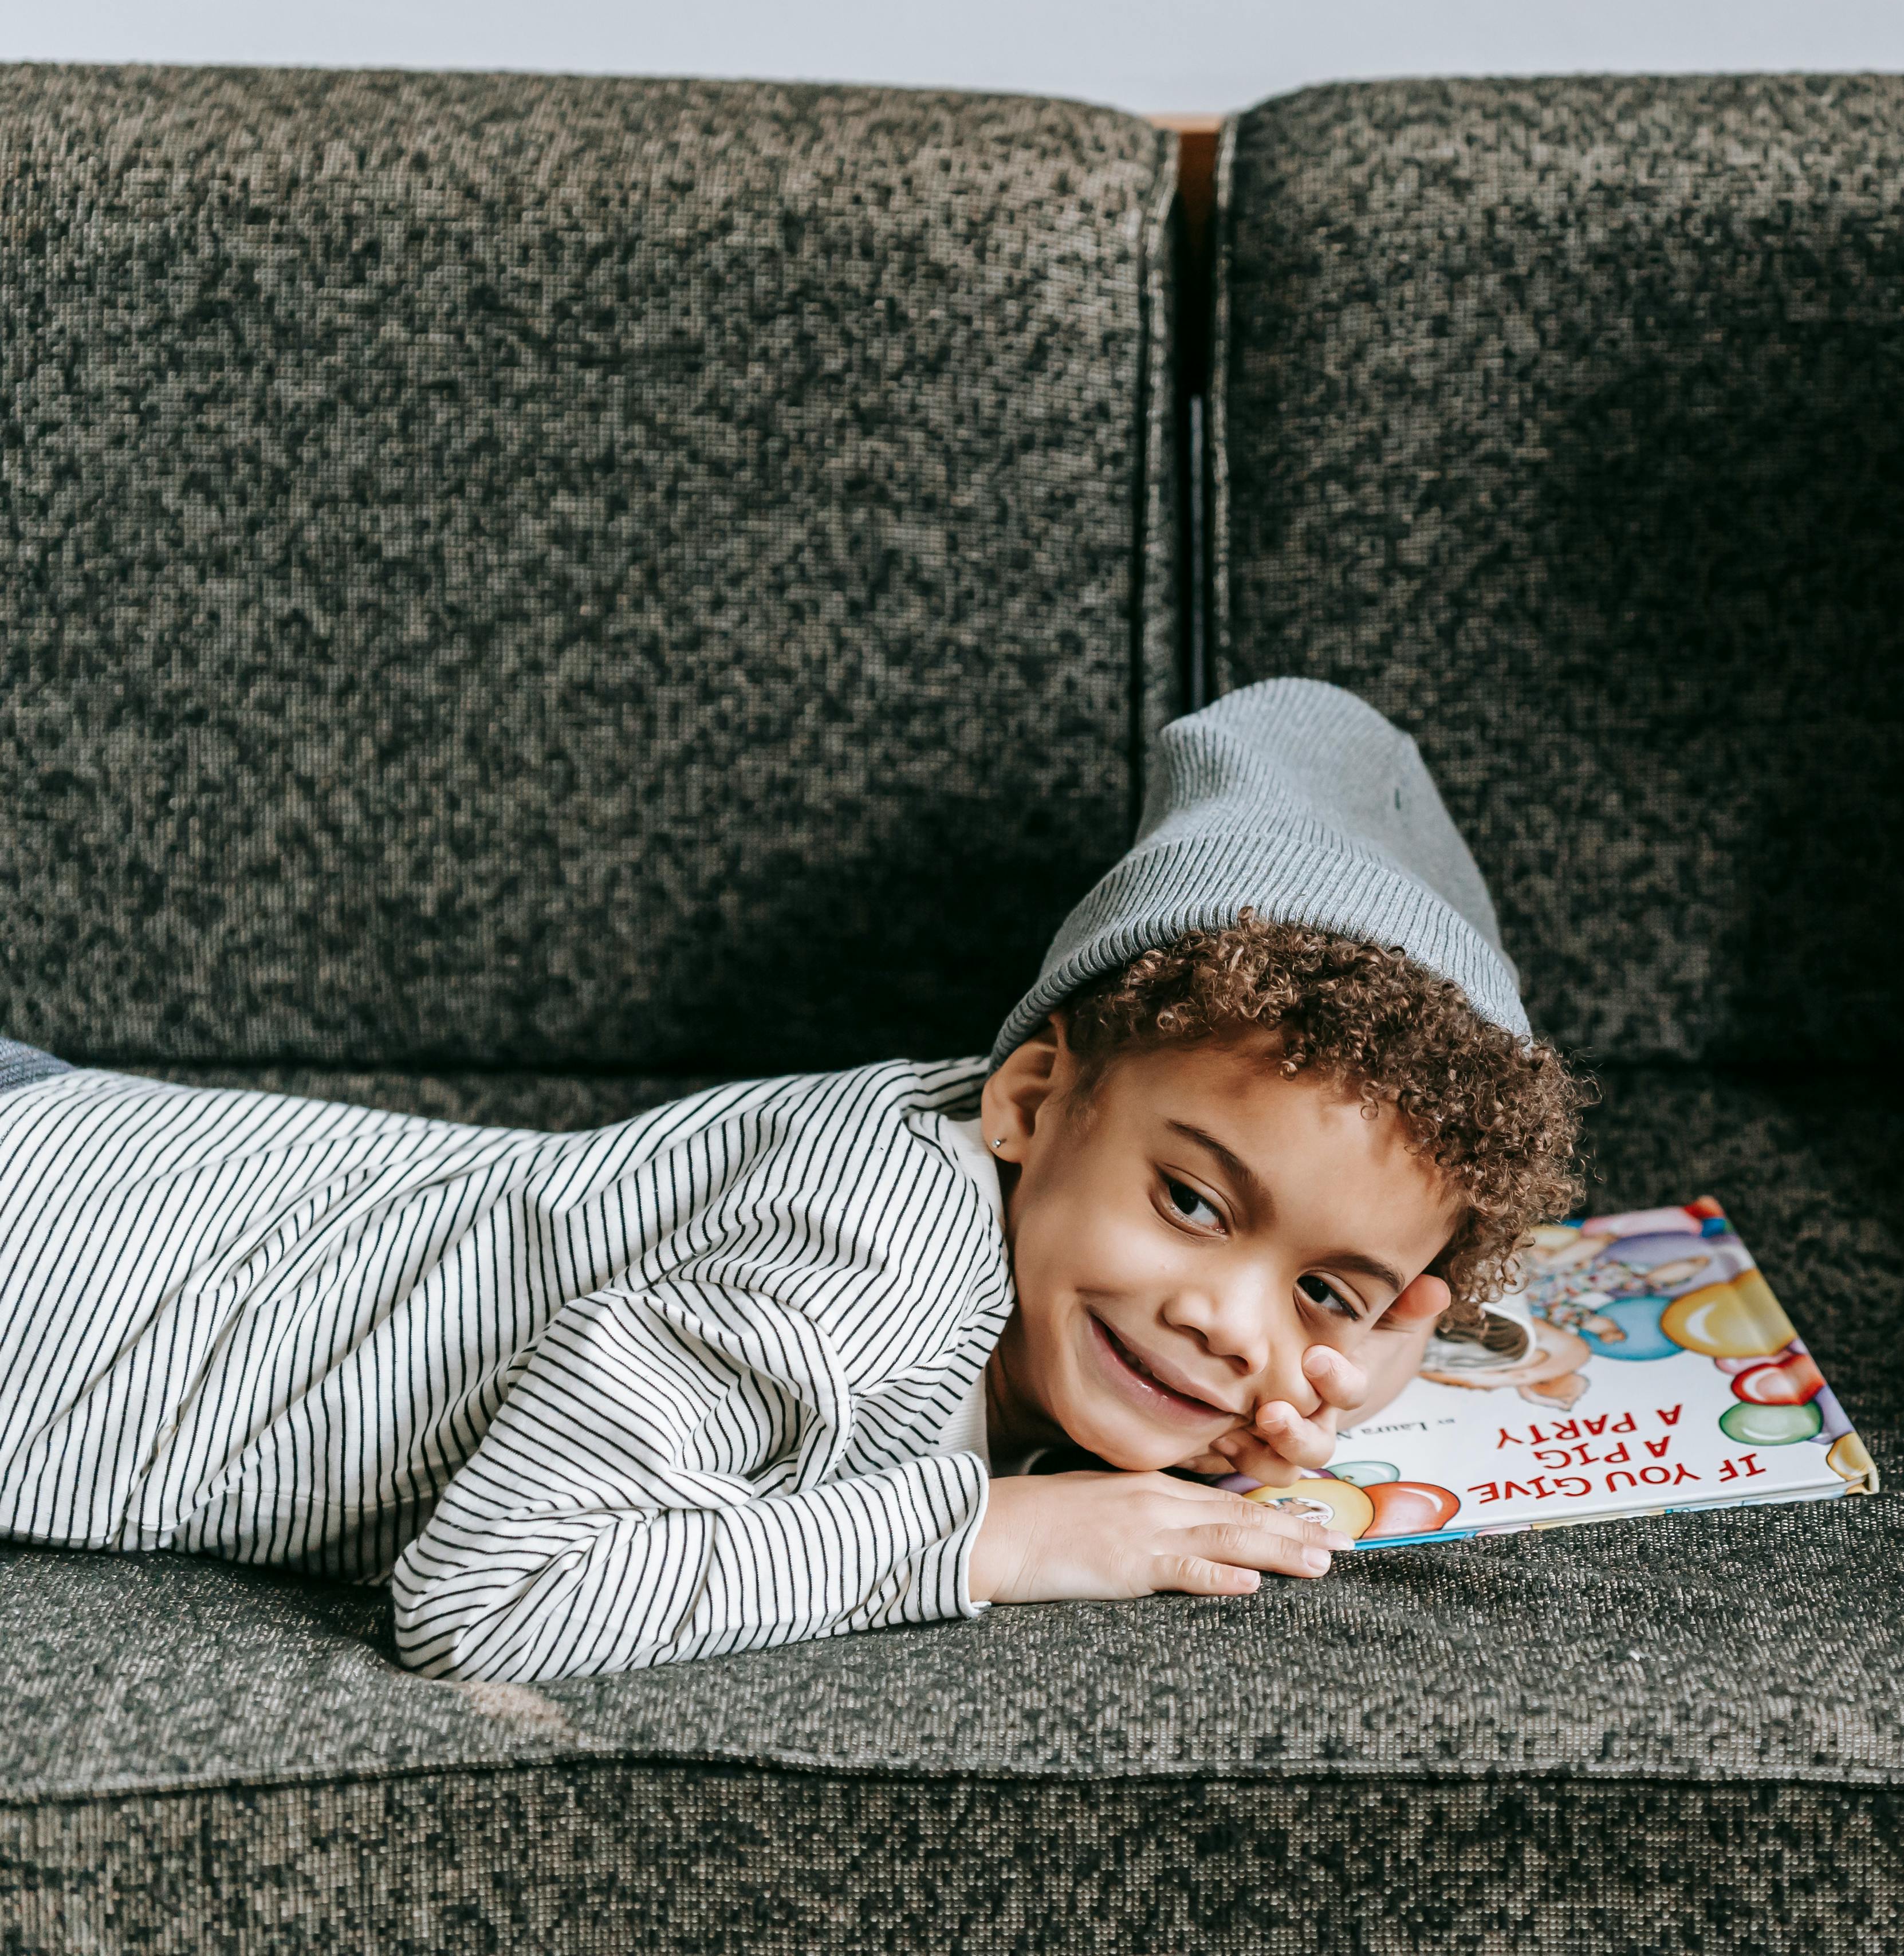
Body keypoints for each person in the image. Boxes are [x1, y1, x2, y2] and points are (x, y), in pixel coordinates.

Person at [0, 679, 1585, 1682]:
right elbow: (493, 1594)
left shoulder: (1034, 1220)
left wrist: (1347, 1352)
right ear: (1032, 1092)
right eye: (1192, 1202)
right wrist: (997, 1540)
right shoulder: (870, 1253)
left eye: (1319, 1284)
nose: (1234, 1327)